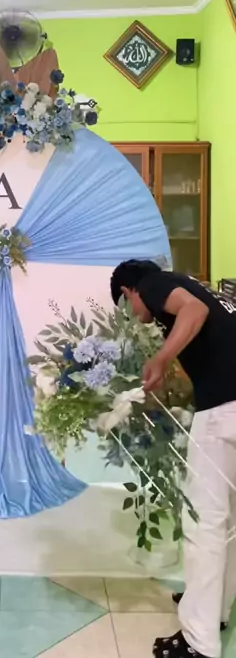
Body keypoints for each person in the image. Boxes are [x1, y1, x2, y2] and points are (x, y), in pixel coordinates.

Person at [110, 259, 236, 658]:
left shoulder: (153, 283)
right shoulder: (202, 289)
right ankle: (212, 607)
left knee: (205, 523)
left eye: (127, 307)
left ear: (129, 292)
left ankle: (199, 642)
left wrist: (161, 358)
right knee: (229, 523)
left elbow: (192, 312)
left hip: (225, 411)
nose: (134, 317)